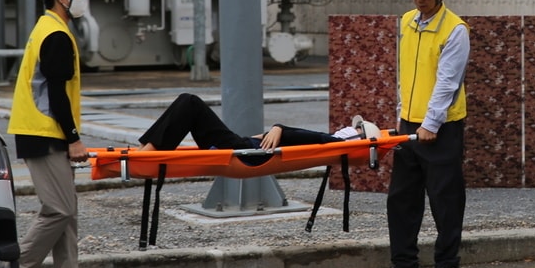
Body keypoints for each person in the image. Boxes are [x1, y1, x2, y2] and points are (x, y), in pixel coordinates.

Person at [8, 0, 111, 268]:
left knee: (68, 209)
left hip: (40, 130)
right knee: (59, 209)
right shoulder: (56, 36)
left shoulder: (47, 27)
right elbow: (56, 94)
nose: (82, 0)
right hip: (44, 132)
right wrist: (73, 138)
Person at [374, 0, 470, 268]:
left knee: (445, 200)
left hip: (441, 129)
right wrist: (404, 116)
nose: (419, 0)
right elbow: (405, 74)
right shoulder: (406, 22)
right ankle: (405, 265)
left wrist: (431, 123)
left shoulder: (455, 30)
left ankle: (448, 266)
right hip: (408, 125)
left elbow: (447, 82)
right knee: (401, 198)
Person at [136, 91, 379, 154]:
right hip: (242, 146)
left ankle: (150, 150)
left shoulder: (335, 141)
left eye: (356, 128)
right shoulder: (334, 141)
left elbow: (312, 137)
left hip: (241, 150)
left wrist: (279, 127)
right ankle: (151, 148)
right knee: (188, 104)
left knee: (189, 102)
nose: (351, 127)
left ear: (358, 135)